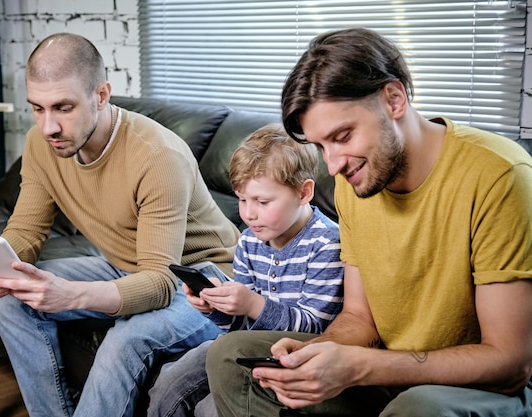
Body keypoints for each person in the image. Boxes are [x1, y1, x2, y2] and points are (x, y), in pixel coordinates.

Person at [205, 27, 532, 417]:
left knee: (419, 406)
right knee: (232, 357)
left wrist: (361, 366)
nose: (333, 164)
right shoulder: (353, 182)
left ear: (393, 98)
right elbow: (359, 317)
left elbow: (510, 364)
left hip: (471, 389)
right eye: (321, 146)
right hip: (385, 372)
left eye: (342, 136)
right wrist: (315, 354)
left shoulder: (499, 175)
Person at [0, 32, 240, 417]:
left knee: (125, 341)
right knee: (10, 298)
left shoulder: (157, 156)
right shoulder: (42, 145)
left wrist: (71, 295)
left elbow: (159, 283)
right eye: (37, 109)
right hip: (127, 265)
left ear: (102, 95)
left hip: (205, 284)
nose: (49, 127)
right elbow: (26, 231)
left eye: (63, 107)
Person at [147, 123, 344, 417]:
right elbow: (240, 329)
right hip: (245, 347)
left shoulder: (328, 244)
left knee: (208, 409)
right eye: (241, 199)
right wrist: (217, 307)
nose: (249, 213)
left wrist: (253, 304)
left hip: (297, 355)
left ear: (304, 193)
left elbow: (314, 329)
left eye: (262, 201)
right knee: (167, 383)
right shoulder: (250, 240)